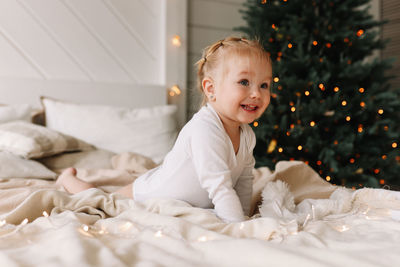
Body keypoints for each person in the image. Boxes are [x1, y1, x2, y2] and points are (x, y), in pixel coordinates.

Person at [57, 36, 272, 223]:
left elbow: (243, 182)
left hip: (176, 189)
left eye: (264, 85)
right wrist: (237, 228)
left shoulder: (247, 135)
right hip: (152, 194)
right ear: (211, 88)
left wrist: (244, 218)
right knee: (102, 201)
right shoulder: (205, 130)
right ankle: (67, 179)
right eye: (244, 82)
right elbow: (220, 187)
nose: (256, 93)